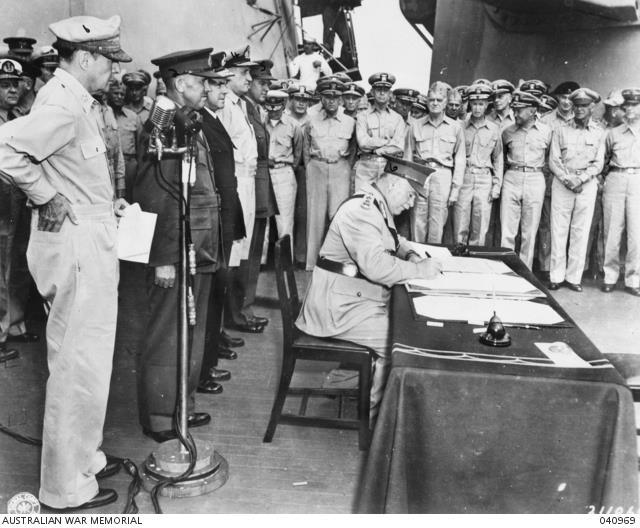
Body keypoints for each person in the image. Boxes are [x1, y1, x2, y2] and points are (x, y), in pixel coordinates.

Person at [0, 15, 131, 510]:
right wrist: (45, 194)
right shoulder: (61, 102)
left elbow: (76, 168)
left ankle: (84, 459)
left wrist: (104, 202)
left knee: (87, 359)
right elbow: (5, 150)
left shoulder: (79, 101)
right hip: (75, 243)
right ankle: (64, 490)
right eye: (109, 62)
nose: (113, 72)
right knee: (78, 363)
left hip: (88, 231)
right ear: (88, 57)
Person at [296, 156, 441, 419]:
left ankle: (341, 381)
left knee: (403, 328)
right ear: (394, 184)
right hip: (336, 307)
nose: (410, 203)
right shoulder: (363, 210)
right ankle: (378, 423)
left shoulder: (378, 205)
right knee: (398, 343)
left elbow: (393, 241)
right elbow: (375, 266)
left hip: (352, 297)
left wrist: (410, 253)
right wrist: (420, 270)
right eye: (410, 195)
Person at [134, 48, 223, 441]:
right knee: (166, 333)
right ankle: (159, 417)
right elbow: (157, 193)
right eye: (202, 81)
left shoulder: (185, 121)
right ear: (182, 82)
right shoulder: (163, 123)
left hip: (193, 243)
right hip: (173, 248)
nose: (206, 88)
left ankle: (179, 408)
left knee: (186, 328)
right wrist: (164, 257)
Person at [198, 53, 246, 390]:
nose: (223, 90)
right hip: (213, 219)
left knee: (218, 290)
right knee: (211, 294)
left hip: (224, 216)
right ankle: (204, 365)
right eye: (216, 84)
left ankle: (209, 355)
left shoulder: (211, 118)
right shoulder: (199, 121)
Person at [547, 88, 605, 291]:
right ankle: (556, 276)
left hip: (586, 185)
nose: (579, 109)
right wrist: (567, 179)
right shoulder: (561, 129)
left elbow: (598, 163)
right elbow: (553, 160)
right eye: (577, 105)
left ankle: (574, 278)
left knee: (580, 231)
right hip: (563, 183)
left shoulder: (599, 132)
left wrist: (581, 179)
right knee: (559, 229)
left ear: (592, 107)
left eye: (584, 106)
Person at [303, 78, 356, 270]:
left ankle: (337, 262)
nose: (331, 101)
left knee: (339, 215)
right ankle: (311, 263)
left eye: (335, 97)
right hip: (317, 167)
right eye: (327, 97)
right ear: (321, 98)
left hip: (340, 169)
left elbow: (354, 149)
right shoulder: (311, 120)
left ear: (341, 99)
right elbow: (305, 148)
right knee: (314, 216)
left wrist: (344, 168)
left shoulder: (350, 122)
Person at [0, 59, 32, 365]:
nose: (12, 89)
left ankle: (15, 323)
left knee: (19, 264)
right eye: (4, 85)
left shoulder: (20, 116)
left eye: (15, 84)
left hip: (19, 201)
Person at [405, 81, 466, 243]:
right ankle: (417, 258)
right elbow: (408, 156)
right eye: (431, 100)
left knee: (438, 221)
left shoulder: (455, 128)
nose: (435, 103)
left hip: (443, 175)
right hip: (419, 173)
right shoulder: (415, 126)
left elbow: (460, 160)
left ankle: (433, 260)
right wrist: (408, 185)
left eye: (439, 100)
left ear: (445, 103)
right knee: (418, 219)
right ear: (427, 101)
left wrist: (455, 189)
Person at [242, 59, 278, 321]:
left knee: (254, 252)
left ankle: (245, 306)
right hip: (252, 188)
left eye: (267, 84)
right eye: (261, 83)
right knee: (247, 253)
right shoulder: (244, 110)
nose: (266, 89)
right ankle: (242, 308)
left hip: (261, 188)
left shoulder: (255, 111)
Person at [501, 90, 552, 269]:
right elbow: (501, 159)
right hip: (512, 177)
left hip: (535, 178)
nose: (515, 113)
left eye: (519, 110)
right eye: (514, 109)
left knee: (529, 231)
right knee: (507, 230)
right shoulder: (507, 132)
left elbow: (550, 160)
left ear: (532, 110)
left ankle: (525, 271)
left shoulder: (547, 132)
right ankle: (505, 269)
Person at [537, 81, 579, 277]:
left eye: (570, 98)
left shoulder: (580, 120)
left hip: (572, 181)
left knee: (571, 225)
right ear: (557, 98)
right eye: (562, 97)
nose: (566, 102)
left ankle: (566, 270)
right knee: (547, 224)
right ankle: (546, 267)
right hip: (549, 177)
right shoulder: (546, 121)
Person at [452, 83, 503, 246]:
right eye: (474, 104)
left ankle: (475, 260)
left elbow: (498, 159)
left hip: (484, 179)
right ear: (469, 104)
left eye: (481, 104)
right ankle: (457, 260)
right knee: (460, 221)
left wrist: (496, 185)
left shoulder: (494, 129)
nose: (477, 108)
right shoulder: (460, 126)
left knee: (480, 225)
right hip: (465, 176)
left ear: (487, 105)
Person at [601, 88, 640, 296]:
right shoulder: (614, 133)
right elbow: (604, 160)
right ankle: (610, 276)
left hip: (638, 181)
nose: (629, 109)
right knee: (612, 231)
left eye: (634, 105)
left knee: (637, 234)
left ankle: (634, 279)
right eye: (627, 105)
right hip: (616, 178)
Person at [586, 90, 625, 279]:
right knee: (598, 227)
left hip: (620, 184)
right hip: (601, 182)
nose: (613, 112)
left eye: (616, 108)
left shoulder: (629, 132)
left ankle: (620, 270)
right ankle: (597, 268)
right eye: (609, 108)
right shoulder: (601, 129)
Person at [353, 73, 406, 192]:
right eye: (378, 90)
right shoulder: (362, 116)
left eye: (385, 90)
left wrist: (379, 150)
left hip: (389, 168)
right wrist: (388, 142)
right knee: (362, 205)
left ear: (390, 94)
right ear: (372, 92)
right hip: (366, 167)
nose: (382, 93)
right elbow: (363, 142)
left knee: (386, 206)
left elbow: (399, 146)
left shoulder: (397, 118)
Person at [265, 89, 303, 246]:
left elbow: (298, 151)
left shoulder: (294, 125)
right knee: (263, 220)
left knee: (285, 220)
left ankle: (286, 264)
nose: (273, 112)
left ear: (284, 106)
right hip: (263, 173)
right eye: (269, 108)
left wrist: (287, 167)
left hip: (283, 173)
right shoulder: (260, 121)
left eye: (277, 108)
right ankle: (259, 264)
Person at [106, 77, 139, 202]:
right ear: (109, 94)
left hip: (129, 165)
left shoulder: (132, 117)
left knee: (128, 199)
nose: (119, 97)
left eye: (122, 94)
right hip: (108, 162)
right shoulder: (103, 114)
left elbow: (139, 145)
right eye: (116, 93)